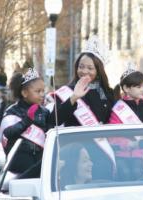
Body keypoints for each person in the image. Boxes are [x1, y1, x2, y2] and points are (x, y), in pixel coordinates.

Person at [0, 68, 90, 178]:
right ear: (24, 93)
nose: (42, 94)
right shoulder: (12, 112)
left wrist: (74, 97)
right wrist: (27, 120)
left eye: (43, 91)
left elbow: (56, 118)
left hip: (40, 159)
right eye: (38, 91)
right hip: (20, 161)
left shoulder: (43, 111)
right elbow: (8, 133)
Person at [52, 35, 115, 181]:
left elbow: (111, 121)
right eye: (81, 66)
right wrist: (73, 98)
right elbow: (56, 119)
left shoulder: (107, 93)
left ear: (98, 70)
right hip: (74, 152)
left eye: (90, 68)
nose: (84, 71)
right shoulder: (67, 91)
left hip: (100, 150)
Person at [109, 68, 143, 181]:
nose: (142, 90)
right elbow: (113, 134)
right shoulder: (117, 108)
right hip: (121, 154)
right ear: (126, 88)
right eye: (138, 87)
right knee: (124, 175)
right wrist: (128, 144)